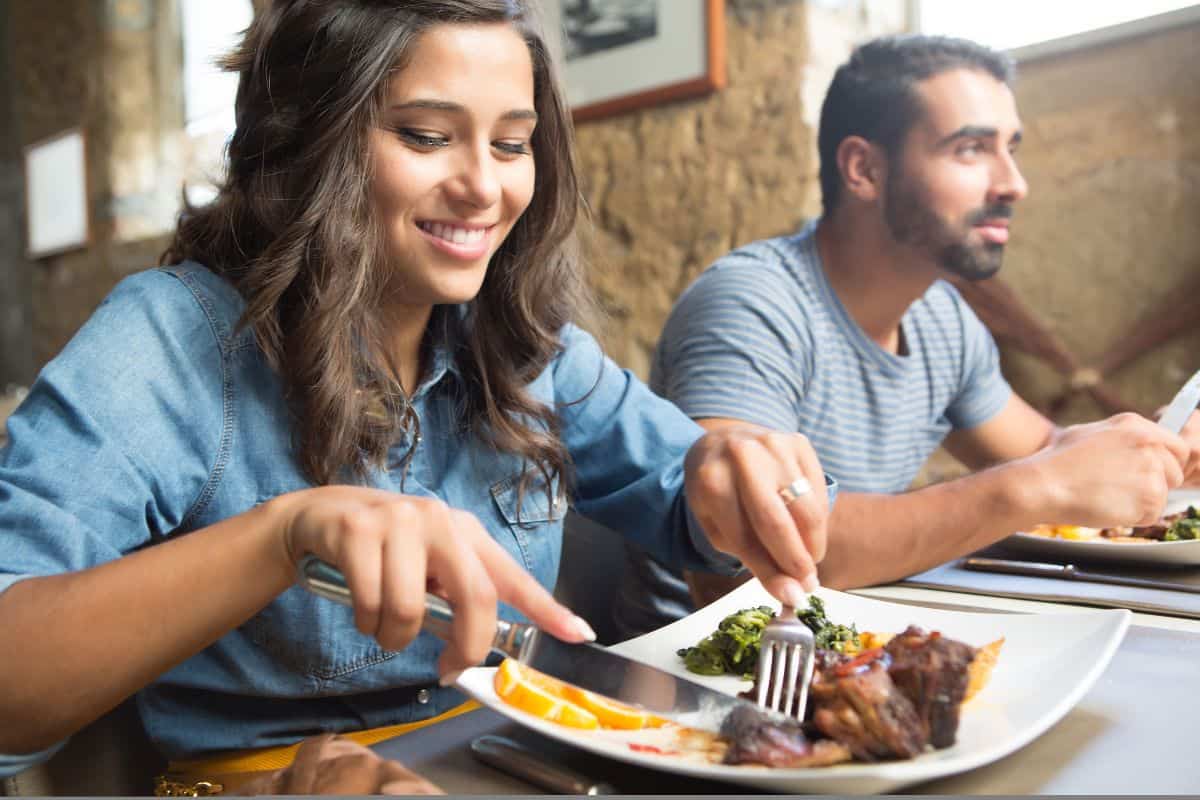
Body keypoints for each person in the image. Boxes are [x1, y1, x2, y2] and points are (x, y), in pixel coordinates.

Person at [0, 1, 834, 793]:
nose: (483, 186)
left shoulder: (519, 342)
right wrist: (285, 536)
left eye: (512, 145)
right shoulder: (169, 339)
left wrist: (729, 475)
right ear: (308, 137)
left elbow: (692, 502)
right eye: (428, 136)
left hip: (526, 761)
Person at [615, 33, 1196, 639]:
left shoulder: (941, 317)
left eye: (1011, 149)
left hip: (858, 647)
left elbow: (1048, 453)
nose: (1013, 184)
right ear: (864, 168)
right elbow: (756, 546)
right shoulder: (751, 305)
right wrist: (1040, 484)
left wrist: (1160, 451)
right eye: (971, 150)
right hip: (689, 676)